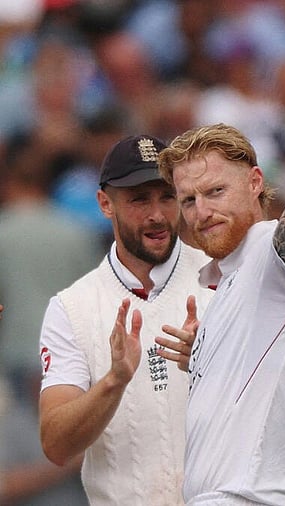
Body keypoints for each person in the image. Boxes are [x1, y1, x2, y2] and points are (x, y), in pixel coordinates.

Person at [155, 20, 285, 505]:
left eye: (216, 191)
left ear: (256, 181)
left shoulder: (268, 251)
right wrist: (210, 350)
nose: (202, 211)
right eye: (189, 199)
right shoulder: (230, 288)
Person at [37, 134, 214, 505]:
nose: (157, 214)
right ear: (105, 203)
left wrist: (214, 361)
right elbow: (56, 445)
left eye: (167, 195)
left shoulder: (221, 280)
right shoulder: (71, 308)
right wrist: (114, 382)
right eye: (139, 199)